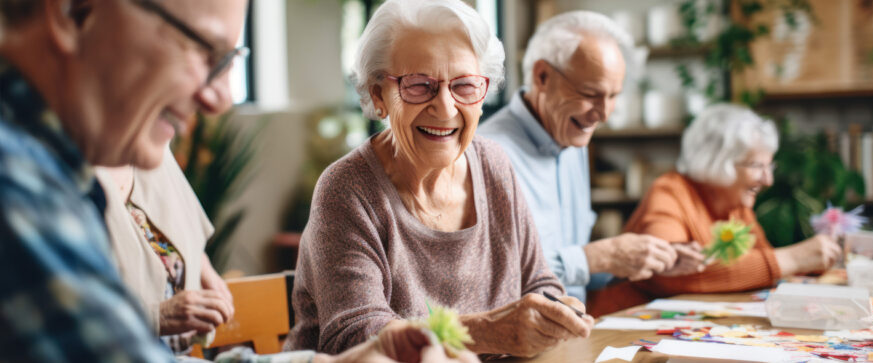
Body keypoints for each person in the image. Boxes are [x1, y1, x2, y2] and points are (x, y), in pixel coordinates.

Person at [0, 0, 468, 361]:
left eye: (228, 61)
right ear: (70, 12)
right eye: (204, 50)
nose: (220, 98)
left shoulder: (58, 169)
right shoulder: (17, 185)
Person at [284, 0, 594, 358]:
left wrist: (555, 310)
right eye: (419, 85)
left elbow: (537, 281)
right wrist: (488, 333)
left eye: (463, 86)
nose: (445, 108)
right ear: (378, 95)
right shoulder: (347, 189)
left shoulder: (495, 165)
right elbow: (357, 337)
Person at [478, 11, 705, 305]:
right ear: (542, 76)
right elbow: (492, 278)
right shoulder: (487, 152)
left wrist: (639, 261)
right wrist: (598, 256)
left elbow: (576, 270)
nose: (605, 113)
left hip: (572, 334)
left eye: (613, 96)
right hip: (516, 347)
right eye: (590, 93)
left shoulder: (573, 139)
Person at [588, 103, 842, 313]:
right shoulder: (669, 192)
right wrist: (794, 258)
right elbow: (670, 273)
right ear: (718, 162)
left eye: (769, 167)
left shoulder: (735, 204)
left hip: (689, 329)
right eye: (756, 166)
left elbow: (762, 271)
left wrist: (814, 260)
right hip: (626, 336)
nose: (768, 180)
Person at [96, 151, 235, 354]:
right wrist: (158, 316)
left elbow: (179, 231)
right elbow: (68, 319)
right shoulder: (63, 179)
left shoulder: (154, 145)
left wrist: (204, 270)